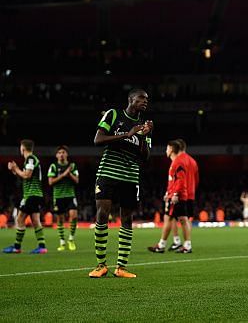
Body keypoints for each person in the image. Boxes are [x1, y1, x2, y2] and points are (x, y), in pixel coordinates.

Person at [88, 88, 153, 278]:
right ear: (131, 99)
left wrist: (142, 136)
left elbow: (146, 157)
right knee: (102, 215)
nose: (145, 101)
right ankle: (101, 265)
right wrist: (127, 134)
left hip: (130, 176)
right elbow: (98, 140)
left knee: (127, 218)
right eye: (141, 98)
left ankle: (121, 267)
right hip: (108, 172)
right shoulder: (113, 114)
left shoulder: (144, 125)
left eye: (147, 99)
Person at [148, 139, 198, 254]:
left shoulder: (178, 161)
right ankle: (177, 243)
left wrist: (174, 193)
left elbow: (180, 180)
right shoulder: (192, 161)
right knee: (179, 218)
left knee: (176, 218)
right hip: (188, 193)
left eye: (167, 148)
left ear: (172, 149)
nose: (166, 150)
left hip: (179, 195)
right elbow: (194, 179)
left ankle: (173, 244)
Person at [3, 139, 48, 254]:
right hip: (35, 194)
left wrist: (16, 169)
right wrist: (14, 170)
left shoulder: (31, 159)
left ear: (22, 148)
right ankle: (42, 246)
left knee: (19, 218)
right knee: (35, 220)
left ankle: (17, 247)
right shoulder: (30, 160)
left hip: (31, 194)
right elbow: (24, 175)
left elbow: (27, 175)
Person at [47, 145, 80, 251]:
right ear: (56, 155)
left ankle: (71, 239)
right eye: (59, 152)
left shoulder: (72, 166)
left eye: (63, 152)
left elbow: (77, 181)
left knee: (74, 216)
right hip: (58, 196)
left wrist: (68, 173)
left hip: (70, 195)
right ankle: (62, 242)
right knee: (60, 220)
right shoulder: (53, 166)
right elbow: (50, 182)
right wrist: (63, 175)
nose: (61, 154)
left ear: (67, 154)